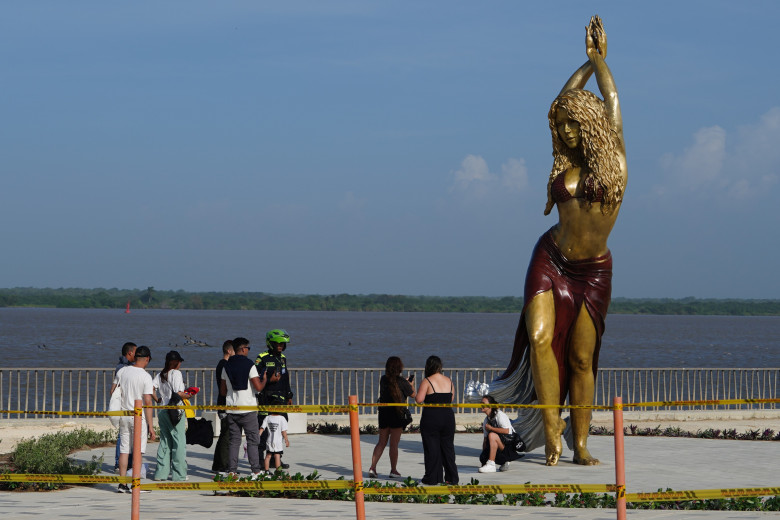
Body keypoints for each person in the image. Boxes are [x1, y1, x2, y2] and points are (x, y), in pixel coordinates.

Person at [489, 16, 626, 466]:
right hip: (549, 258)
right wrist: (578, 69)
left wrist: (597, 60)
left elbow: (612, 101)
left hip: (592, 273)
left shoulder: (616, 165)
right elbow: (559, 102)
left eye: (573, 124)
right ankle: (551, 432)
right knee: (541, 337)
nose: (566, 132)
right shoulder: (562, 164)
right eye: (561, 125)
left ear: (591, 123)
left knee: (583, 360)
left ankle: (580, 443)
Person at [111, 345, 157, 493]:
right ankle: (135, 485)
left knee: (124, 450)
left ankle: (122, 484)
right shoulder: (145, 376)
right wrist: (151, 426)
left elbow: (113, 391)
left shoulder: (123, 371)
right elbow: (148, 402)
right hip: (138, 417)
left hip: (124, 414)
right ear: (147, 359)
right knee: (138, 451)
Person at [220, 337, 266, 478]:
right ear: (243, 349)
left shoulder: (225, 366)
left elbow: (222, 391)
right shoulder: (250, 365)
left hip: (232, 409)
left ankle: (232, 471)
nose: (248, 351)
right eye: (248, 348)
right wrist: (264, 379)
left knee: (234, 441)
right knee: (253, 440)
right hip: (248, 409)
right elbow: (258, 388)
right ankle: (255, 471)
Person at [368, 356, 416, 479]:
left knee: (381, 442)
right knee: (394, 444)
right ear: (399, 368)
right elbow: (414, 395)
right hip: (397, 415)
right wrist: (411, 384)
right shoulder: (403, 382)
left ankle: (373, 467)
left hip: (384, 414)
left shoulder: (383, 379)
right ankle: (393, 470)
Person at [415, 355, 458, 485]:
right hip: (448, 417)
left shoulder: (427, 381)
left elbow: (419, 400)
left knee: (431, 448)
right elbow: (451, 399)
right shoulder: (449, 380)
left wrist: (411, 387)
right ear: (440, 366)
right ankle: (452, 478)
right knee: (448, 448)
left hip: (431, 417)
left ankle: (433, 477)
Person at [255, 328, 293, 468]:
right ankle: (259, 461)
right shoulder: (262, 358)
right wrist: (269, 380)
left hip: (281, 400)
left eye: (282, 344)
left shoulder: (282, 358)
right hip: (266, 399)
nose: (280, 346)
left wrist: (289, 395)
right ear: (270, 343)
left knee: (280, 429)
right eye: (277, 344)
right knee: (263, 430)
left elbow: (285, 377)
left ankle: (275, 459)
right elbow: (256, 380)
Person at [152, 351, 192, 481]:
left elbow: (150, 388)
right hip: (175, 412)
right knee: (179, 442)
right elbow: (179, 393)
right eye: (180, 362)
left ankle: (160, 473)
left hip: (163, 410)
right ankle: (179, 474)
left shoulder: (160, 375)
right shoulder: (176, 373)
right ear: (177, 362)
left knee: (165, 441)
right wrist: (189, 394)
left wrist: (157, 399)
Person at [477, 395, 521, 473]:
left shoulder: (500, 415)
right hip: (501, 447)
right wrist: (483, 459)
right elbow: (485, 440)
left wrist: (491, 429)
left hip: (509, 448)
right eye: (480, 403)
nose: (481, 405)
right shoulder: (486, 420)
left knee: (492, 435)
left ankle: (491, 465)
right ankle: (503, 462)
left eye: (483, 403)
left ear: (491, 405)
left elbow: (507, 431)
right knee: (488, 441)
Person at [211, 340, 234, 473]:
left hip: (222, 403)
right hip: (225, 404)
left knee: (223, 434)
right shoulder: (225, 365)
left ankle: (217, 464)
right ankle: (224, 465)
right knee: (226, 435)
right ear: (229, 351)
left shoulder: (221, 364)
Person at [112, 342, 136, 471]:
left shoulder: (121, 367)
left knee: (125, 436)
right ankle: (120, 464)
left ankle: (123, 464)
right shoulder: (122, 368)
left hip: (127, 407)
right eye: (135, 352)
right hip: (126, 407)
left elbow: (113, 389)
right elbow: (115, 389)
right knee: (124, 436)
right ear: (130, 353)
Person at [259, 400, 290, 473]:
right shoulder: (282, 418)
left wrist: (258, 436)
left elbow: (262, 428)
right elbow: (283, 431)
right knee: (277, 456)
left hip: (269, 440)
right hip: (278, 442)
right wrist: (286, 440)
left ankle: (266, 470)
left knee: (268, 456)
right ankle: (278, 471)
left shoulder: (267, 418)